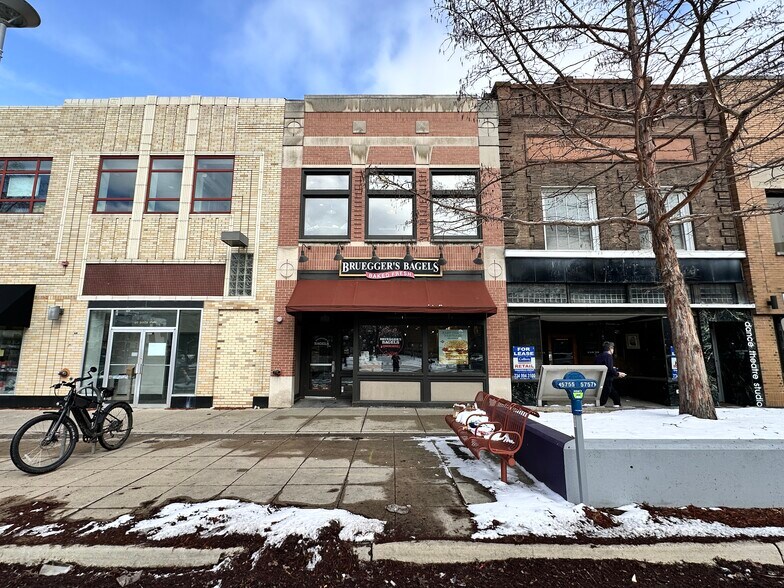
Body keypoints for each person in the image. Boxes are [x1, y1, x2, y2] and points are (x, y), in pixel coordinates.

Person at [594, 341, 626, 407]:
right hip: (607, 377)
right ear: (610, 348)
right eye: (613, 348)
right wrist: (618, 374)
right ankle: (600, 404)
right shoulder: (608, 356)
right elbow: (609, 368)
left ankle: (617, 403)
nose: (613, 350)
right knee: (607, 391)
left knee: (612, 391)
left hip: (600, 376)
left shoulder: (599, 356)